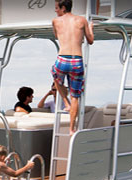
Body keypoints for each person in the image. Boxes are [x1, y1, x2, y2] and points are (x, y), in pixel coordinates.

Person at [51, 0, 94, 133]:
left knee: (54, 74)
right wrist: (90, 28)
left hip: (62, 58)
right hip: (76, 60)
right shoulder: (82, 20)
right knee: (75, 96)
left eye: (57, 8)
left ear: (63, 8)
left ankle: (66, 102)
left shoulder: (56, 21)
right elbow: (90, 41)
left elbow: (56, 35)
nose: (56, 11)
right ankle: (72, 129)